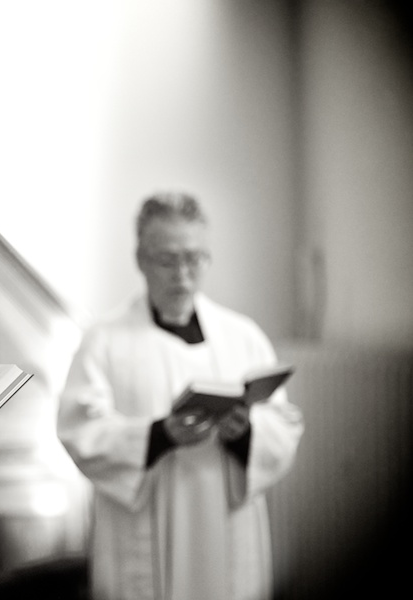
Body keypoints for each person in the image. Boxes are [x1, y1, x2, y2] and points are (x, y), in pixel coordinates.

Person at [56, 192, 304, 600]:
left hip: (227, 527)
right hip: (142, 535)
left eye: (195, 259)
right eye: (167, 260)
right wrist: (159, 436)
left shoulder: (243, 336)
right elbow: (81, 429)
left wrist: (245, 434)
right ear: (140, 258)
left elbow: (283, 426)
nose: (183, 275)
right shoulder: (105, 340)